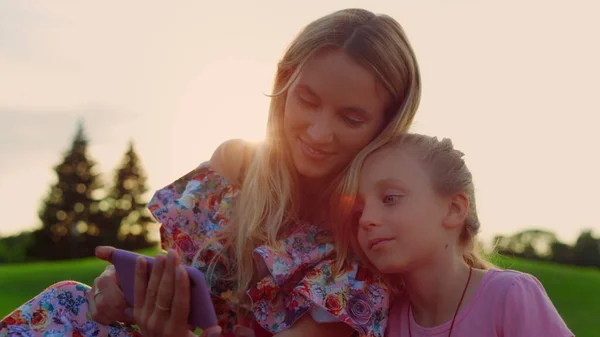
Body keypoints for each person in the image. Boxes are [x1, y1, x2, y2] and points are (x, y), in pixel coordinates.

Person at [0, 8, 422, 337]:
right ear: (285, 83)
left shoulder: (367, 240)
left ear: (385, 128)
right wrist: (119, 293)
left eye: (350, 119)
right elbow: (180, 278)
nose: (318, 132)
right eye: (307, 100)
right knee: (68, 302)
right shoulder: (235, 170)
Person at [352, 133, 574, 337]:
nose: (365, 220)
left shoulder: (509, 296)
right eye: (359, 210)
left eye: (390, 198)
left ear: (454, 209)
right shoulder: (384, 319)